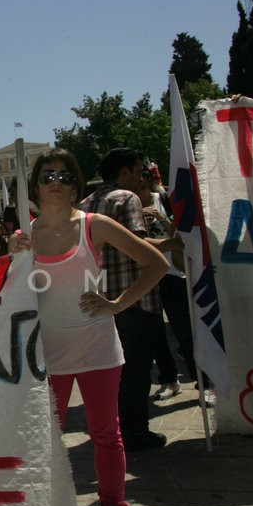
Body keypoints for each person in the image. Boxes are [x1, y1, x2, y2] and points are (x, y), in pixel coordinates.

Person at [9, 148, 168, 506]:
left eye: (64, 175)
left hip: (98, 347)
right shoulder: (24, 234)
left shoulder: (95, 226)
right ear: (35, 186)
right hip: (48, 354)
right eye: (46, 176)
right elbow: (10, 299)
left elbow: (156, 264)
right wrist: (14, 257)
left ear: (76, 183)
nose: (56, 183)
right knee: (44, 441)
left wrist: (118, 303)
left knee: (106, 435)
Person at [79, 148, 181, 452]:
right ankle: (135, 432)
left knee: (114, 372)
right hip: (135, 297)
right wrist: (171, 242)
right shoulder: (126, 198)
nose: (143, 177)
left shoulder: (85, 203)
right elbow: (137, 245)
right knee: (137, 371)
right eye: (139, 170)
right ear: (124, 172)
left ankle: (116, 429)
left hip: (99, 297)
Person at [136, 169, 192, 400]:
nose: (137, 192)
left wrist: (161, 220)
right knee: (156, 333)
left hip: (173, 273)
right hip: (148, 276)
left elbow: (181, 238)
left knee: (183, 328)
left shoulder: (165, 201)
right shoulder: (130, 207)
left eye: (140, 187)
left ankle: (203, 380)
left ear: (149, 182)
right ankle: (169, 379)